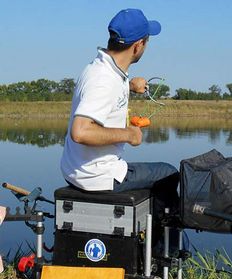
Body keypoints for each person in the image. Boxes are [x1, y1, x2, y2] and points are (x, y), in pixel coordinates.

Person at [60, 9, 179, 215]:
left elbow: (108, 91)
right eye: (147, 42)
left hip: (77, 170)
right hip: (97, 176)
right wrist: (129, 134)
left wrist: (130, 86)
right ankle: (162, 244)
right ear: (138, 45)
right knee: (168, 174)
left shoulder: (103, 68)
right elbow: (81, 132)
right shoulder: (103, 80)